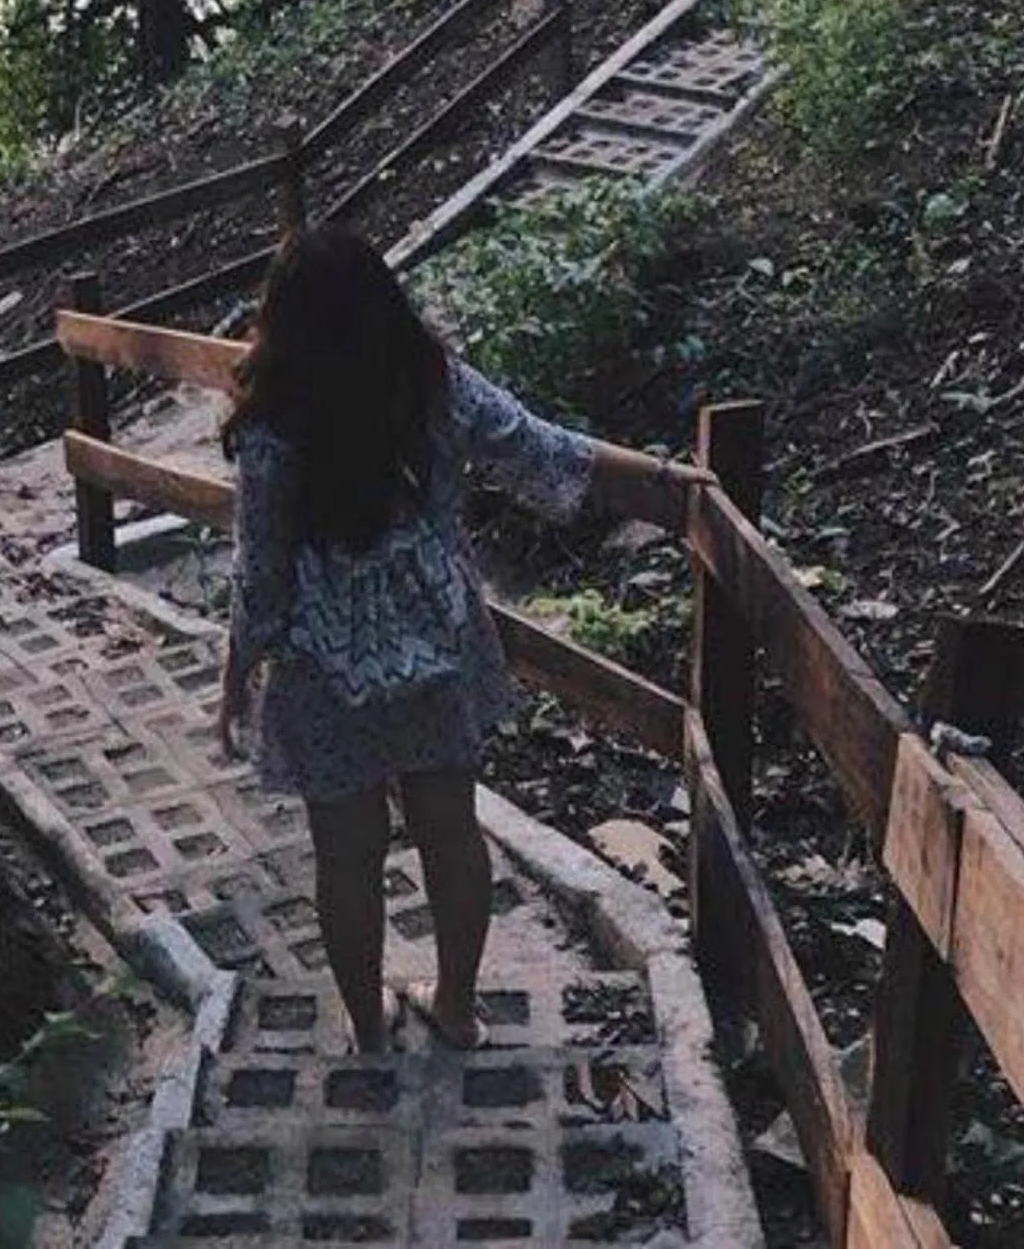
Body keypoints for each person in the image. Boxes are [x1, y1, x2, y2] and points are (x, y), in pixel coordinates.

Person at [217, 227, 709, 1054]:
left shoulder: (272, 428)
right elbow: (542, 447)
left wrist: (238, 673)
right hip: (434, 650)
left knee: (345, 857)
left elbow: (259, 571)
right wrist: (662, 479)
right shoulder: (430, 387)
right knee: (449, 829)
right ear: (383, 305)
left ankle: (368, 1027)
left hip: (320, 672)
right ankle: (453, 1006)